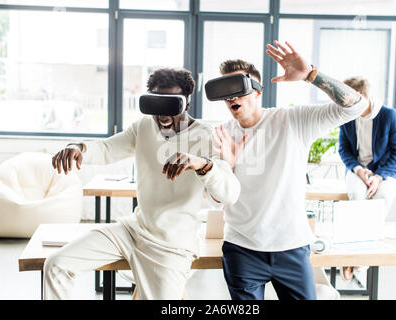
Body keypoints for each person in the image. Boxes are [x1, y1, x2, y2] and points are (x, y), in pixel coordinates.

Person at [44, 68, 240, 300]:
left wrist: (201, 164)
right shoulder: (144, 127)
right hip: (133, 229)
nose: (163, 116)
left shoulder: (207, 135)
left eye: (171, 106)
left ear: (186, 104)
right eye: (157, 105)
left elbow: (231, 193)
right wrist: (78, 147)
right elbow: (107, 149)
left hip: (171, 245)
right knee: (56, 264)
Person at [212, 40, 369, 300]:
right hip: (242, 248)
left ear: (258, 92)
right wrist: (227, 167)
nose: (231, 97)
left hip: (292, 247)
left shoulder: (292, 121)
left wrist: (311, 75)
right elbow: (217, 198)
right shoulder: (220, 136)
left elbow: (356, 106)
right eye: (225, 90)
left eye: (238, 88)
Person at [338, 76, 396, 281]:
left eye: (348, 99)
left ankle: (358, 260)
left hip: (385, 172)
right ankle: (359, 259)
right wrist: (359, 170)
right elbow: (344, 150)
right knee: (358, 195)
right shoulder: (347, 116)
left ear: (360, 97)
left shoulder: (388, 115)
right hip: (358, 171)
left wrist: (379, 176)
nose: (344, 103)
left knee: (382, 196)